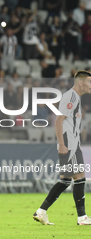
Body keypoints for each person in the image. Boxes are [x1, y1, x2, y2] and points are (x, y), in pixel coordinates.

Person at [33, 70, 91, 226]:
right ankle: (81, 217)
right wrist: (62, 144)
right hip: (69, 144)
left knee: (68, 180)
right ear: (81, 83)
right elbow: (59, 121)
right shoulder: (70, 97)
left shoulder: (75, 98)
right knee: (76, 179)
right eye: (89, 82)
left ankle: (42, 212)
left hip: (72, 143)